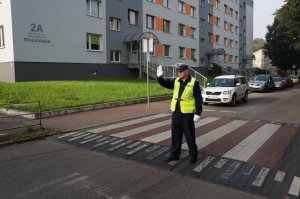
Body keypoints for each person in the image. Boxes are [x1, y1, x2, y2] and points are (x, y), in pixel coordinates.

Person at [156, 64, 203, 163]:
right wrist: (160, 77)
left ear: (186, 71)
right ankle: (174, 155)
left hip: (187, 115)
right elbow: (165, 84)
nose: (179, 73)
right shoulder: (176, 81)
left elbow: (198, 98)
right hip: (176, 113)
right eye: (178, 71)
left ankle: (193, 155)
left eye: (181, 71)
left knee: (190, 136)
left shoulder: (194, 82)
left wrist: (198, 112)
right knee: (175, 135)